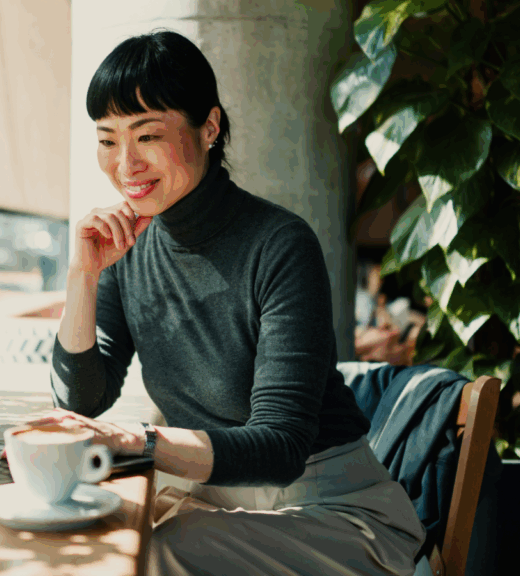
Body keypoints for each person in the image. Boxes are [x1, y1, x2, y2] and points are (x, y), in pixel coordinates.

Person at [23, 30, 426, 575]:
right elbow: (82, 399)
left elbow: (280, 447)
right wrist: (83, 276)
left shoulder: (281, 244)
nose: (125, 164)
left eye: (146, 136)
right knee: (92, 542)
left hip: (332, 514)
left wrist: (140, 441)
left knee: (157, 552)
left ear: (209, 127)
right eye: (107, 139)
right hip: (215, 507)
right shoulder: (127, 247)